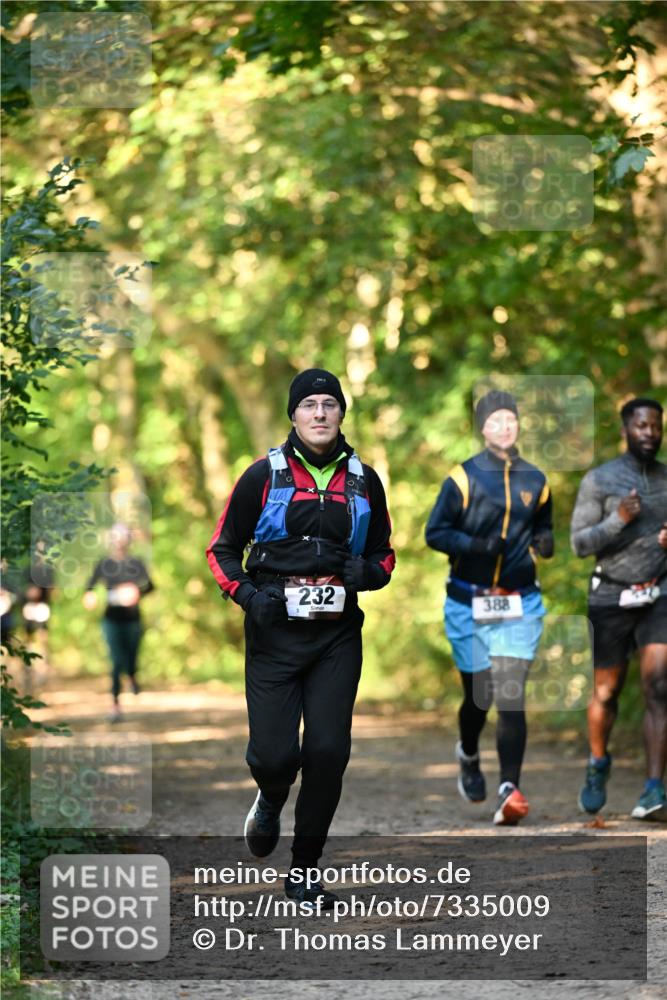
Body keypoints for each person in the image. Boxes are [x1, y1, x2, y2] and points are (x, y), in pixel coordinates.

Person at [206, 368, 395, 909]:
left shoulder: (364, 479)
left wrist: (371, 575)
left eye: (329, 404)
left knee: (329, 751)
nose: (319, 413)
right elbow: (221, 549)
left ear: (341, 414)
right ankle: (269, 797)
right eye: (308, 404)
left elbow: (384, 552)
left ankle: (305, 870)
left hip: (336, 636)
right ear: (293, 414)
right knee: (273, 757)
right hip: (273, 632)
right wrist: (247, 596)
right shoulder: (261, 476)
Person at [425, 390, 553, 826]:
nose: (505, 426)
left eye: (511, 420)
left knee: (511, 695)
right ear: (482, 428)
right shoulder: (461, 479)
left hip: (520, 601)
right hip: (469, 602)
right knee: (478, 697)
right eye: (496, 420)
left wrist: (544, 541)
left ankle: (509, 790)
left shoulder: (536, 479)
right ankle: (468, 751)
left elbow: (543, 524)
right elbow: (435, 533)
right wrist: (475, 544)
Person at [571, 397, 667, 821]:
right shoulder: (601, 479)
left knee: (660, 689)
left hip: (659, 595)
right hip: (610, 595)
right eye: (642, 426)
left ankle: (652, 789)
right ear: (626, 429)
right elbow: (579, 543)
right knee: (606, 691)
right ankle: (598, 763)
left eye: (656, 426)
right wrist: (619, 520)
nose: (649, 433)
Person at [83, 523, 154, 722]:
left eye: (123, 538)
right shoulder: (104, 563)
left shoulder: (136, 563)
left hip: (132, 618)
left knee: (131, 657)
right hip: (111, 618)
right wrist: (89, 596)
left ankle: (131, 675)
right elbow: (89, 586)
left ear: (128, 541)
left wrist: (136, 591)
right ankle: (115, 705)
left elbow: (150, 586)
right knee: (115, 661)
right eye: (116, 538)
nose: (119, 543)